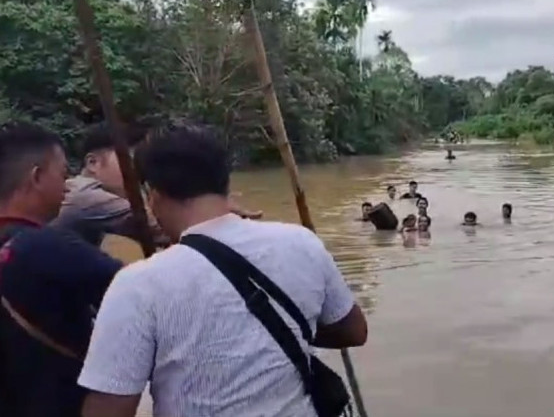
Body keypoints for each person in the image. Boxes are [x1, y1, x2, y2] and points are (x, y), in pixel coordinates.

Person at [79, 124, 368, 417]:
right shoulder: (301, 242)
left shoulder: (137, 284)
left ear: (152, 195)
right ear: (225, 182)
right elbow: (354, 331)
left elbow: (108, 410)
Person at [0, 123, 122, 417]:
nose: (67, 185)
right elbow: (145, 292)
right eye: (63, 174)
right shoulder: (50, 247)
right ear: (37, 177)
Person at [53, 122, 262, 247]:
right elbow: (169, 228)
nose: (140, 168)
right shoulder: (86, 196)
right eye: (130, 159)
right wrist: (217, 211)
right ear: (93, 163)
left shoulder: (79, 192)